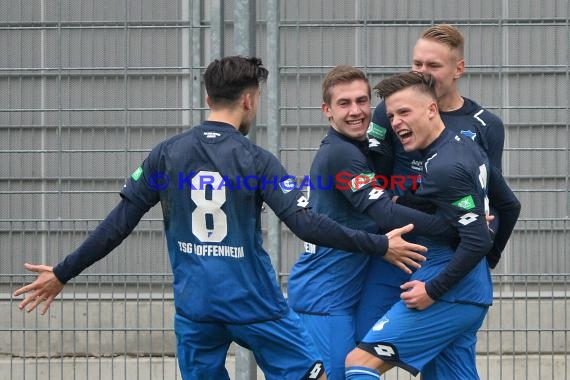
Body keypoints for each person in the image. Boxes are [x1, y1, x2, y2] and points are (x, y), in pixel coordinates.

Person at [12, 56, 430, 380]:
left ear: (208, 98)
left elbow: (118, 223)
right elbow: (305, 224)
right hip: (254, 305)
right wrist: (380, 244)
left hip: (196, 308)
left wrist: (64, 273)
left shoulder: (166, 155)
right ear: (249, 100)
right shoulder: (257, 161)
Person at [287, 65, 461, 380]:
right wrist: (454, 226)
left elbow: (391, 198)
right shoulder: (341, 155)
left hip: (343, 295)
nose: (356, 111)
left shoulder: (361, 149)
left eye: (361, 101)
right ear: (327, 110)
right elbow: (383, 212)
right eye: (344, 103)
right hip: (323, 299)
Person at [345, 71, 520, 380]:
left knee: (359, 363)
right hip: (468, 290)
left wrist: (433, 291)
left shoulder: (445, 166)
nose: (396, 122)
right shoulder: (462, 146)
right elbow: (508, 205)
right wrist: (481, 265)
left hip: (448, 292)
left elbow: (477, 238)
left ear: (431, 110)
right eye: (391, 115)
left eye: (404, 112)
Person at [356, 24, 510, 341]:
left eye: (434, 66)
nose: (423, 73)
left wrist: (485, 257)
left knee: (444, 356)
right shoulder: (391, 110)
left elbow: (493, 198)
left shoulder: (486, 125)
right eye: (418, 64)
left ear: (458, 69)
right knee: (366, 340)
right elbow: (375, 176)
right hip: (398, 246)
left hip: (451, 253)